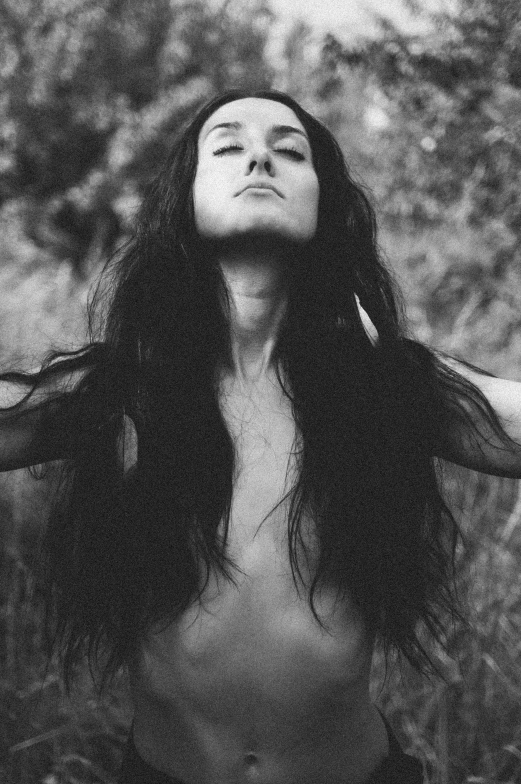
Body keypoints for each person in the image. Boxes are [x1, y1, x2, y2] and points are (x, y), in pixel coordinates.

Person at [3, 89, 521, 784]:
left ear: (322, 201)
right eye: (226, 146)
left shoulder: (383, 384)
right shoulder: (120, 386)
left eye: (288, 150)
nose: (257, 156)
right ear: (182, 200)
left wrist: (395, 370)